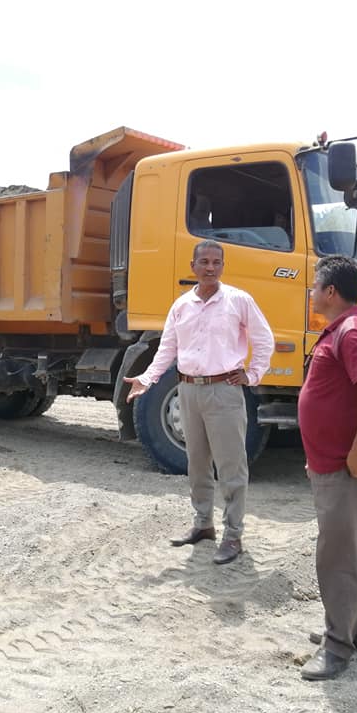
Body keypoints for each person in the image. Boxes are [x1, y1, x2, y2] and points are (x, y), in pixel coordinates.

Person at [124, 240, 273, 565]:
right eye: (204, 261)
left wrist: (252, 374)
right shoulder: (181, 306)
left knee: (231, 466)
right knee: (197, 463)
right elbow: (167, 349)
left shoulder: (238, 301)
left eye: (216, 262)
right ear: (192, 266)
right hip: (188, 391)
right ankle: (203, 524)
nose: (210, 267)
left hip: (224, 391)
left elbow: (264, 339)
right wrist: (147, 379)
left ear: (223, 266)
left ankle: (233, 535)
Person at [298, 254, 357, 681]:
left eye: (315, 287)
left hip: (346, 465)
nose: (312, 293)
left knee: (337, 555)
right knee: (352, 548)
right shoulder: (343, 329)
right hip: (334, 462)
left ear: (331, 291)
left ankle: (338, 646)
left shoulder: (353, 331)